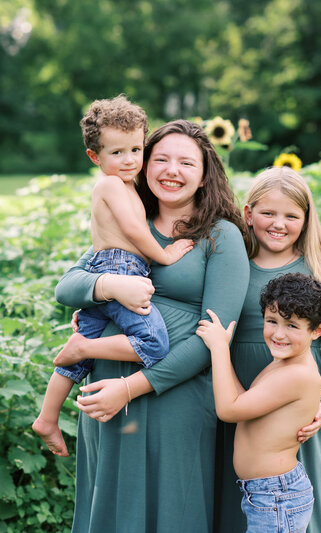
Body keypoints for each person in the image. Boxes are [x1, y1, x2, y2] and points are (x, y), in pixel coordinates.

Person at [53, 119, 250, 532]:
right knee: (112, 507)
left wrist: (129, 386)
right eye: (160, 158)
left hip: (173, 396)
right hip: (105, 396)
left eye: (185, 162)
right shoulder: (128, 221)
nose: (171, 171)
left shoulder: (221, 236)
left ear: (203, 175)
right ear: (143, 163)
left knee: (172, 510)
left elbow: (215, 338)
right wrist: (109, 285)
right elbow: (68, 286)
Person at [33, 96, 193, 458]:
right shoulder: (109, 186)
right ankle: (83, 348)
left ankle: (47, 417)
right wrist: (165, 253)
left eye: (136, 149)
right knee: (154, 344)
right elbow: (136, 234)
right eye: (117, 152)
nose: (130, 160)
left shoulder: (130, 186)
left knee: (77, 363)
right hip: (119, 268)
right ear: (96, 157)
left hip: (111, 270)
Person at [216, 166, 321, 533]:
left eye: (291, 216)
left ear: (306, 220)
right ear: (249, 214)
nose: (278, 224)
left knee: (291, 510)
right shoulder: (232, 265)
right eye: (268, 213)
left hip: (298, 413)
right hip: (236, 393)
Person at [197, 273, 321, 533]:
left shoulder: (297, 374)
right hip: (269, 493)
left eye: (292, 326)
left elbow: (228, 409)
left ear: (317, 331)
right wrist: (223, 347)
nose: (278, 334)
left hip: (277, 495)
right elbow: (242, 405)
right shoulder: (283, 364)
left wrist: (218, 349)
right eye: (272, 321)